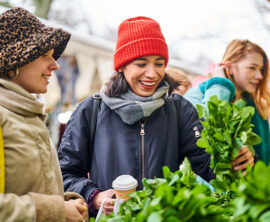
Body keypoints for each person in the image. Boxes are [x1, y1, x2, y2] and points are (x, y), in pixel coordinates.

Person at [58, 17, 254, 217]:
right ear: (122, 66)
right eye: (141, 64)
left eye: (159, 63)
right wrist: (95, 197)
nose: (152, 73)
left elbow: (208, 165)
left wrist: (234, 161)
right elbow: (64, 174)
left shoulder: (178, 110)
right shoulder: (91, 109)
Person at [0, 7, 88, 222]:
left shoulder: (29, 115)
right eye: (44, 56)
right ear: (16, 60)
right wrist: (56, 210)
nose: (55, 65)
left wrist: (68, 203)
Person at [184, 39, 270, 165]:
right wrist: (219, 84)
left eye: (261, 70)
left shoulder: (255, 107)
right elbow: (208, 133)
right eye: (252, 68)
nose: (259, 76)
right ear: (228, 66)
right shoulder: (195, 96)